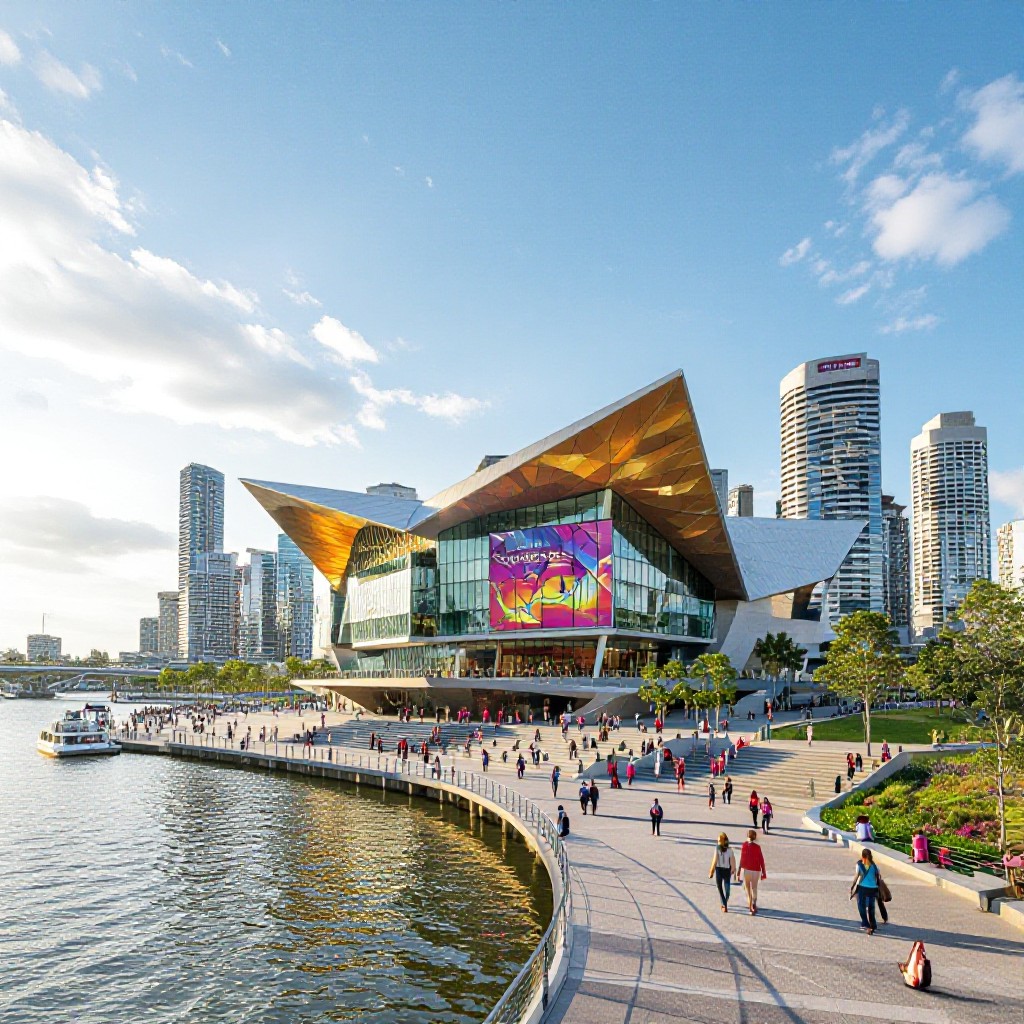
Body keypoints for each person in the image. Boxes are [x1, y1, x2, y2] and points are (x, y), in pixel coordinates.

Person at [737, 829, 767, 914]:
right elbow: (761, 860)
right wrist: (763, 872)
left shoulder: (744, 845)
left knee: (747, 888)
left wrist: (739, 870)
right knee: (754, 888)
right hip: (756, 871)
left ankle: (750, 904)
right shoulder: (757, 847)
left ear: (747, 836)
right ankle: (754, 904)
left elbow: (742, 859)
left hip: (747, 870)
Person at [850, 849, 880, 934]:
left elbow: (856, 877)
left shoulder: (860, 865)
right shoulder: (875, 866)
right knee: (871, 907)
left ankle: (865, 924)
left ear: (862, 856)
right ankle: (873, 925)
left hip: (863, 888)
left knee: (861, 906)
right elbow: (877, 877)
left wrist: (852, 887)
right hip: (873, 888)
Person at [709, 833, 737, 912]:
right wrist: (711, 871)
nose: (718, 842)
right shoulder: (717, 849)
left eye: (719, 841)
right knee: (719, 887)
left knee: (727, 891)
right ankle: (724, 904)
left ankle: (725, 901)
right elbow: (714, 860)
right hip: (719, 870)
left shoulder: (729, 850)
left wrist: (733, 869)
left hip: (727, 871)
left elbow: (732, 860)